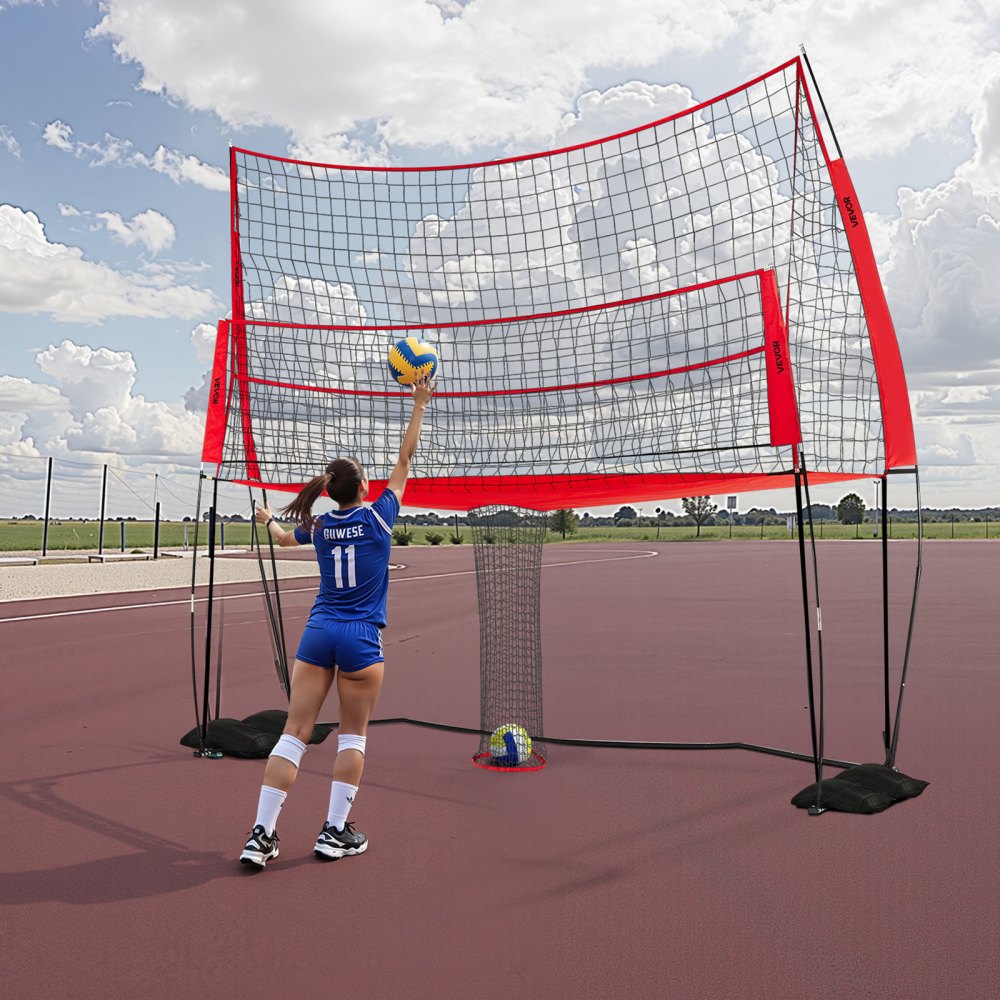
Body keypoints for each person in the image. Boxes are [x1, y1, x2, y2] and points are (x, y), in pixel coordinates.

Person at [239, 374, 436, 869]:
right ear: (363, 488)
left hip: (319, 631)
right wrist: (418, 404)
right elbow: (405, 459)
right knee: (352, 736)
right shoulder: (379, 517)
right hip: (361, 640)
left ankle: (261, 836)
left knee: (294, 732)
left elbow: (285, 540)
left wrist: (266, 518)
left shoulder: (322, 525)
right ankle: (333, 832)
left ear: (330, 490)